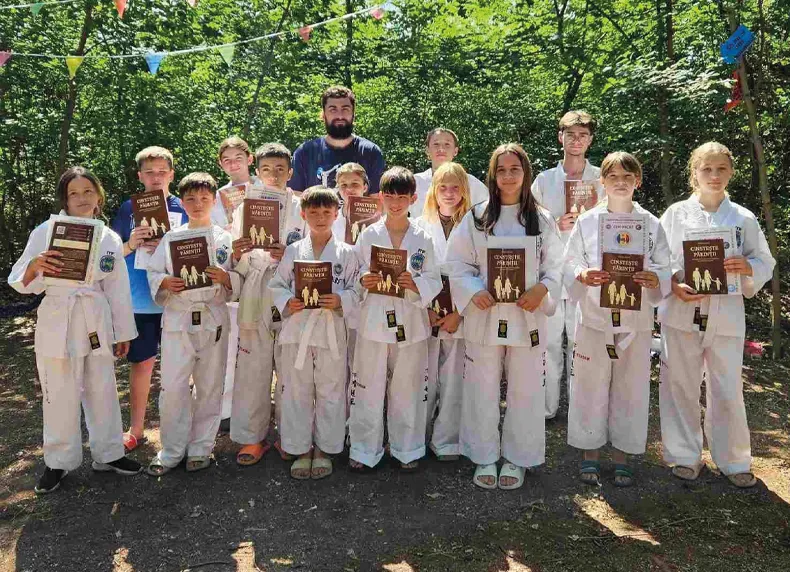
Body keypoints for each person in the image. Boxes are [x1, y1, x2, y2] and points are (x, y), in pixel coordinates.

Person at [9, 167, 142, 493]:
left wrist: (123, 331)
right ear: (64, 200)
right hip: (58, 316)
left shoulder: (109, 237)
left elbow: (117, 288)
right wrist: (35, 267)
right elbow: (20, 279)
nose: (82, 198)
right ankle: (58, 461)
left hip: (96, 318)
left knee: (102, 388)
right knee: (59, 392)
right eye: (74, 193)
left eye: (88, 192)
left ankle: (109, 453)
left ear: (99, 197)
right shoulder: (45, 231)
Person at [444, 144, 563, 490]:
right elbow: (457, 263)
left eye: (515, 169)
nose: (508, 176)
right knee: (481, 384)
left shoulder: (542, 219)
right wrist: (472, 290)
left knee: (526, 387)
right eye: (501, 170)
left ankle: (518, 457)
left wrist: (542, 289)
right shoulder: (477, 217)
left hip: (527, 314)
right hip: (486, 312)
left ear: (525, 173)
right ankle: (483, 455)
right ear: (492, 175)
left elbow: (557, 266)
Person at [658, 142, 775, 488]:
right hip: (683, 310)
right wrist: (673, 282)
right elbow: (658, 259)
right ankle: (684, 455)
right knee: (680, 385)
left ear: (731, 173)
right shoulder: (676, 214)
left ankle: (734, 459)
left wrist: (747, 266)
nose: (714, 175)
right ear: (694, 172)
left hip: (726, 314)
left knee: (727, 388)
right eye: (706, 168)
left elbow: (764, 261)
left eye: (721, 168)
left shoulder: (742, 217)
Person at [563, 151, 670, 487]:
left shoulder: (652, 223)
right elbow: (570, 262)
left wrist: (655, 278)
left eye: (627, 177)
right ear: (602, 181)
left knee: (631, 386)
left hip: (635, 319)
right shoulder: (587, 221)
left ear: (638, 181)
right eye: (613, 177)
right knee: (589, 384)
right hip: (595, 316)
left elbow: (664, 266)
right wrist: (583, 274)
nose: (620, 183)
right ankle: (590, 451)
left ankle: (622, 453)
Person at [145, 173, 241, 475]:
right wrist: (165, 282)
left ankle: (201, 446)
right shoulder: (171, 238)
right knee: (173, 386)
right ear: (182, 202)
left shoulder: (225, 238)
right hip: (178, 318)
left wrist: (226, 278)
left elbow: (239, 276)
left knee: (210, 385)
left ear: (214, 201)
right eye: (190, 199)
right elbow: (153, 272)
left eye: (204, 198)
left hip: (213, 317)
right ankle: (172, 449)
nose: (198, 204)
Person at [349, 167, 443, 472]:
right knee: (368, 386)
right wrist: (364, 280)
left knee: (408, 387)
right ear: (380, 197)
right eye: (389, 196)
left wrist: (416, 283)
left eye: (402, 197)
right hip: (375, 319)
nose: (395, 203)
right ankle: (364, 449)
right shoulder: (369, 234)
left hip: (410, 321)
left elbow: (434, 279)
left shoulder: (423, 237)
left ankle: (407, 448)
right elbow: (356, 271)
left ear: (413, 199)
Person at [268, 187, 359, 479]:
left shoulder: (348, 253)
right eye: (314, 212)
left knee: (331, 389)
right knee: (297, 389)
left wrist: (341, 299)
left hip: (331, 330)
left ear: (336, 214)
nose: (320, 217)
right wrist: (288, 302)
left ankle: (324, 448)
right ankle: (300, 448)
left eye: (326, 212)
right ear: (303, 214)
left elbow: (358, 288)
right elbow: (277, 285)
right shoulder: (294, 250)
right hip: (298, 329)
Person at [230, 143, 305, 465]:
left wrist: (289, 255)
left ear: (290, 173)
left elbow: (314, 248)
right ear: (257, 172)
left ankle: (291, 436)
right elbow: (235, 258)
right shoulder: (243, 208)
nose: (273, 175)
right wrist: (238, 252)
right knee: (253, 365)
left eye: (280, 169)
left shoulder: (303, 206)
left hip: (291, 288)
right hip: (256, 286)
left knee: (292, 367)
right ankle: (252, 437)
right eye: (266, 169)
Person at [110, 146, 188, 452]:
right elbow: (111, 255)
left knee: (182, 368)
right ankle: (136, 429)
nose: (156, 178)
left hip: (176, 299)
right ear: (140, 176)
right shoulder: (128, 209)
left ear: (172, 174)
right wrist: (132, 243)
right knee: (141, 364)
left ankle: (183, 431)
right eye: (150, 172)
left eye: (162, 172)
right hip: (140, 301)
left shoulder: (184, 206)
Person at [531, 111, 604, 419]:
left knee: (580, 342)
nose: (576, 140)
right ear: (560, 137)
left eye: (583, 135)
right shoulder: (544, 180)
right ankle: (546, 408)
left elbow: (613, 222)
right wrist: (554, 222)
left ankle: (579, 408)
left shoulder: (601, 178)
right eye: (571, 134)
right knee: (547, 342)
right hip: (550, 272)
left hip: (585, 274)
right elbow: (527, 223)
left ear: (590, 140)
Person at [414, 162, 472, 461]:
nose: (449, 193)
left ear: (465, 191)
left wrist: (459, 312)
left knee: (454, 378)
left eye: (455, 187)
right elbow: (412, 271)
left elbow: (480, 272)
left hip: (459, 312)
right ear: (433, 191)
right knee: (423, 376)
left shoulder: (476, 225)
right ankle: (416, 438)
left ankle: (447, 440)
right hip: (426, 309)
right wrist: (425, 308)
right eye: (443, 187)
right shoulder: (418, 225)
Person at [212, 137, 260, 435]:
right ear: (221, 164)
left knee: (264, 347)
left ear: (250, 159)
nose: (233, 164)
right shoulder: (217, 197)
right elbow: (213, 235)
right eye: (227, 160)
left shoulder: (265, 188)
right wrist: (230, 233)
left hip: (266, 273)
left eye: (238, 157)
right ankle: (226, 411)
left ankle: (267, 408)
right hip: (234, 271)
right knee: (231, 348)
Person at [290, 85, 386, 193]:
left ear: (353, 113)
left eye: (345, 109)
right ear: (323, 115)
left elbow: (376, 199)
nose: (340, 116)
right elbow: (296, 197)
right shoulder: (304, 153)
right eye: (333, 109)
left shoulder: (371, 152)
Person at [411, 128, 488, 217]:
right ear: (427, 150)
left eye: (447, 144)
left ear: (455, 151)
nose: (441, 149)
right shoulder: (414, 182)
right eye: (436, 144)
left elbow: (489, 210)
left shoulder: (471, 183)